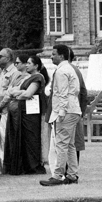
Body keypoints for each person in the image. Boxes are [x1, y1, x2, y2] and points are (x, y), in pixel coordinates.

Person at [41, 42, 86, 187]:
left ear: (61, 55)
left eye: (54, 54)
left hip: (65, 111)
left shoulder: (61, 71)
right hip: (74, 110)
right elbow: (76, 91)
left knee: (61, 144)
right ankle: (72, 175)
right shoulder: (70, 68)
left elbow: (62, 94)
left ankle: (57, 175)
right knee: (70, 145)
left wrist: (60, 112)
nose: (51, 56)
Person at [0, 51, 46, 176]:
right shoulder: (28, 78)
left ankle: (33, 165)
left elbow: (27, 94)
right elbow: (16, 91)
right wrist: (16, 93)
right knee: (23, 138)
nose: (27, 66)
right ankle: (24, 165)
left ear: (36, 66)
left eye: (29, 64)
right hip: (23, 111)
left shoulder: (38, 77)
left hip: (31, 113)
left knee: (31, 138)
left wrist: (16, 94)